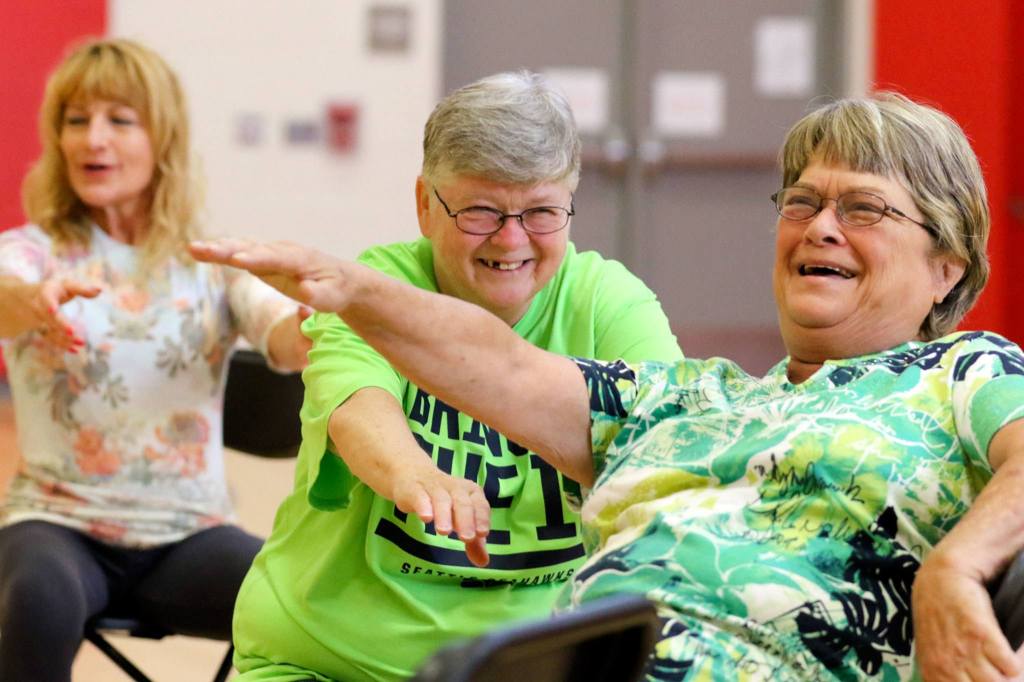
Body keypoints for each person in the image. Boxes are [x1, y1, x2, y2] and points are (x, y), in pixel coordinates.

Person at [193, 91, 1024, 681]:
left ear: (947, 263)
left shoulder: (963, 373)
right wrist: (353, 291)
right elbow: (509, 367)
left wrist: (953, 570)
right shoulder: (693, 397)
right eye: (801, 202)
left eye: (865, 209)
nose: (821, 226)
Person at [219, 71, 681, 680]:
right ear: (424, 206)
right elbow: (357, 406)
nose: (511, 239)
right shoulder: (375, 289)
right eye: (482, 211)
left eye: (540, 211)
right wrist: (412, 473)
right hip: (329, 660)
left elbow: (678, 444)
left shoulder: (609, 303)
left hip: (527, 664)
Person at [0, 38, 310, 681]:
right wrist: (34, 302)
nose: (93, 140)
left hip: (189, 533)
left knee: (301, 602)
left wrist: (317, 319)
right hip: (56, 524)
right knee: (32, 600)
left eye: (120, 119)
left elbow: (285, 337)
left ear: (162, 137)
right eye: (76, 120)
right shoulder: (33, 253)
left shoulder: (211, 265)